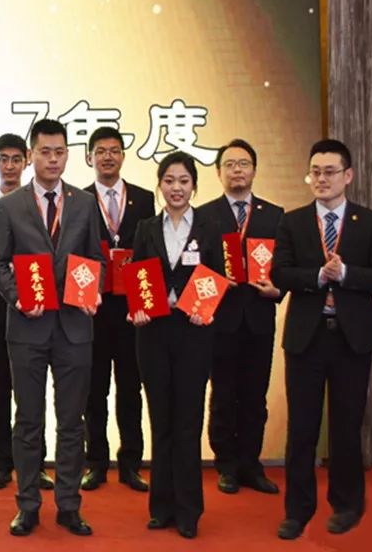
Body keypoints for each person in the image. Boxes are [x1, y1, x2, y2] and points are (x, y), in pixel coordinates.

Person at [272, 139, 372, 540]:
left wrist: (345, 274)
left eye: (329, 172)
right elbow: (280, 273)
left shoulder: (369, 221)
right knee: (302, 428)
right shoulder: (292, 222)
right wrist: (316, 276)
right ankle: (297, 510)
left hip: (351, 340)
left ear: (348, 175)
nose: (321, 179)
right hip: (306, 339)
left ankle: (346, 505)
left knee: (346, 425)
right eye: (315, 172)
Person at [0, 119, 102, 538]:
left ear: (68, 154)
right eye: (45, 152)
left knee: (72, 422)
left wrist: (93, 290)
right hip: (27, 328)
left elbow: (95, 259)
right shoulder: (11, 205)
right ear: (30, 155)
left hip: (74, 326)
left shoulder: (84, 203)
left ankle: (69, 505)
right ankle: (28, 506)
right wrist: (18, 297)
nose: (53, 159)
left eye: (60, 152)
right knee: (28, 421)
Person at [130, 151, 221, 539]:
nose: (176, 188)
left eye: (183, 181)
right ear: (160, 185)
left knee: (187, 422)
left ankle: (189, 510)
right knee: (161, 420)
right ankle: (161, 507)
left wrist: (207, 308)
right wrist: (137, 308)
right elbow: (136, 275)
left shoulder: (210, 228)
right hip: (153, 334)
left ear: (194, 186)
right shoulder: (146, 228)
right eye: (169, 180)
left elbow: (216, 276)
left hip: (193, 334)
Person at [196, 139, 283, 495]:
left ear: (254, 170)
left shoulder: (274, 215)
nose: (237, 170)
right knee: (222, 393)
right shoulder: (204, 215)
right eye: (229, 164)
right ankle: (226, 465)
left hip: (259, 318)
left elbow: (286, 266)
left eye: (243, 163)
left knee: (255, 395)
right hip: (221, 319)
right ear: (219, 172)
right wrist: (216, 283)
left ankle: (251, 464)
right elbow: (194, 266)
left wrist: (278, 289)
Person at [0, 134, 53, 490]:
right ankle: (2, 462)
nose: (10, 166)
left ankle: (35, 464)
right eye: (3, 159)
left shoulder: (38, 202)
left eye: (16, 159)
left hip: (34, 308)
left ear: (27, 161)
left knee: (32, 390)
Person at [81, 126, 154, 493]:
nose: (107, 157)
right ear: (89, 157)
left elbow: (150, 253)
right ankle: (95, 463)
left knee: (130, 389)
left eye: (114, 150)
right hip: (92, 310)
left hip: (130, 311)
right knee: (93, 391)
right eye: (100, 151)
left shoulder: (143, 199)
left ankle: (131, 464)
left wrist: (145, 303)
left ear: (123, 155)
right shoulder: (78, 199)